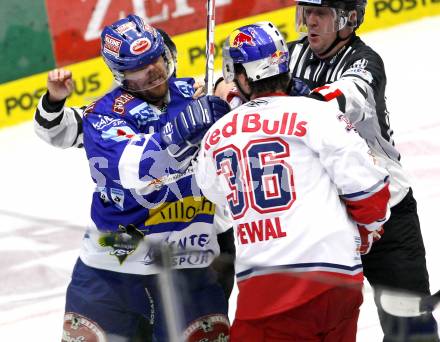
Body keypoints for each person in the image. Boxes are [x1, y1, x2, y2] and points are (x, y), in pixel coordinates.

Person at [35, 15, 234, 341]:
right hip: (112, 270)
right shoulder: (104, 116)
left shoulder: (195, 93)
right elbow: (141, 170)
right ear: (121, 74)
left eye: (155, 57)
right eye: (140, 66)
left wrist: (234, 96)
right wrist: (187, 126)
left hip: (190, 262)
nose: (154, 68)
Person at [192, 21, 391, 341]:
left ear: (240, 76)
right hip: (339, 279)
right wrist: (366, 231)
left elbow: (213, 194)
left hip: (271, 295)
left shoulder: (217, 135)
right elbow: (369, 187)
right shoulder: (316, 113)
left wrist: (213, 129)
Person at [287, 0, 439, 340]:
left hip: (386, 215)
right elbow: (247, 84)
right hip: (327, 224)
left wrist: (286, 101)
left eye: (321, 14)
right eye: (306, 12)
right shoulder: (290, 56)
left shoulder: (365, 63)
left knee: (412, 330)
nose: (310, 21)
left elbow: (336, 105)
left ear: (348, 19)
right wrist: (231, 89)